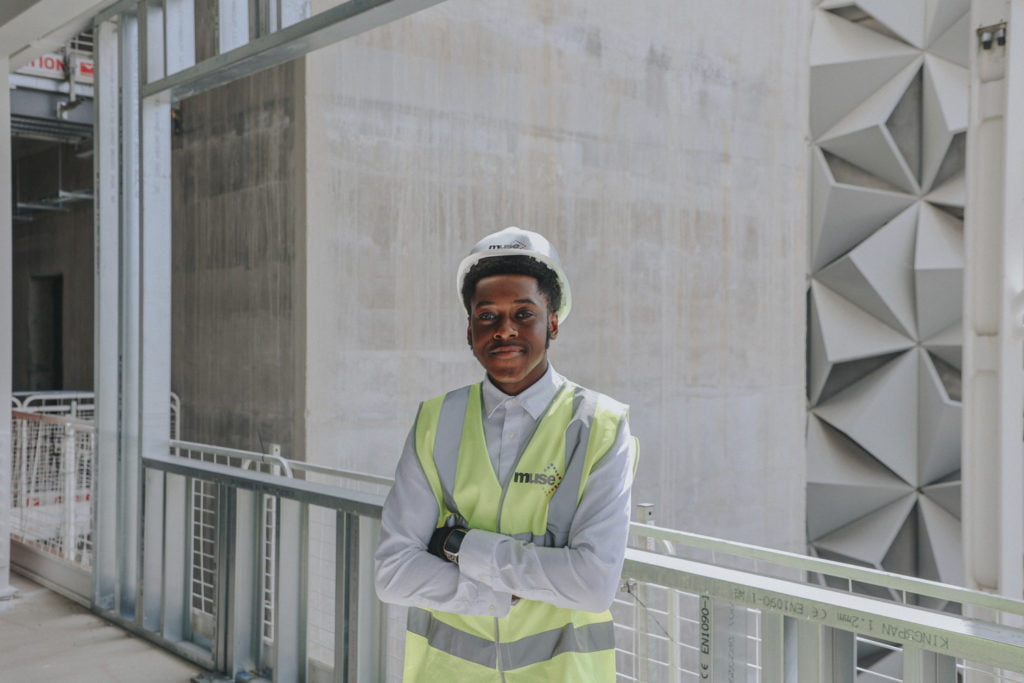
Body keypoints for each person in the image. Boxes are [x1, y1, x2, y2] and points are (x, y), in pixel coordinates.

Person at [375, 227, 639, 681]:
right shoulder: (436, 420)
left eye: (524, 313)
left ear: (552, 322)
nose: (505, 330)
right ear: (469, 329)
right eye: (487, 316)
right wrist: (497, 596)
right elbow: (394, 573)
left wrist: (458, 545)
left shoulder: (601, 426)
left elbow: (593, 583)